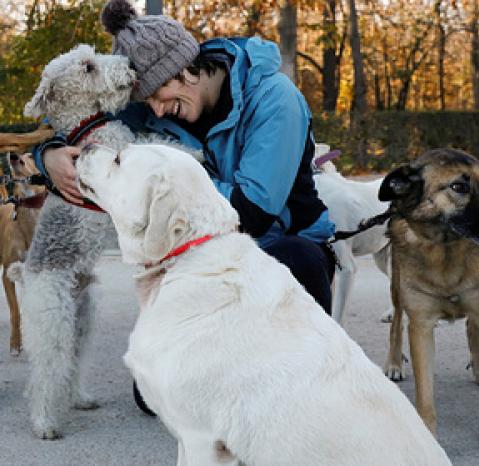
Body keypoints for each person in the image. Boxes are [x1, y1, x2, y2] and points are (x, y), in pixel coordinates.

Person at [34, 0, 336, 315]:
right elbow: (69, 121)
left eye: (157, 94)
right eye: (146, 100)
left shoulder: (276, 99)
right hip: (199, 249)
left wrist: (171, 180)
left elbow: (252, 213)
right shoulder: (157, 104)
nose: (157, 110)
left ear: (182, 68)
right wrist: (49, 155)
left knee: (297, 258)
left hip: (277, 241)